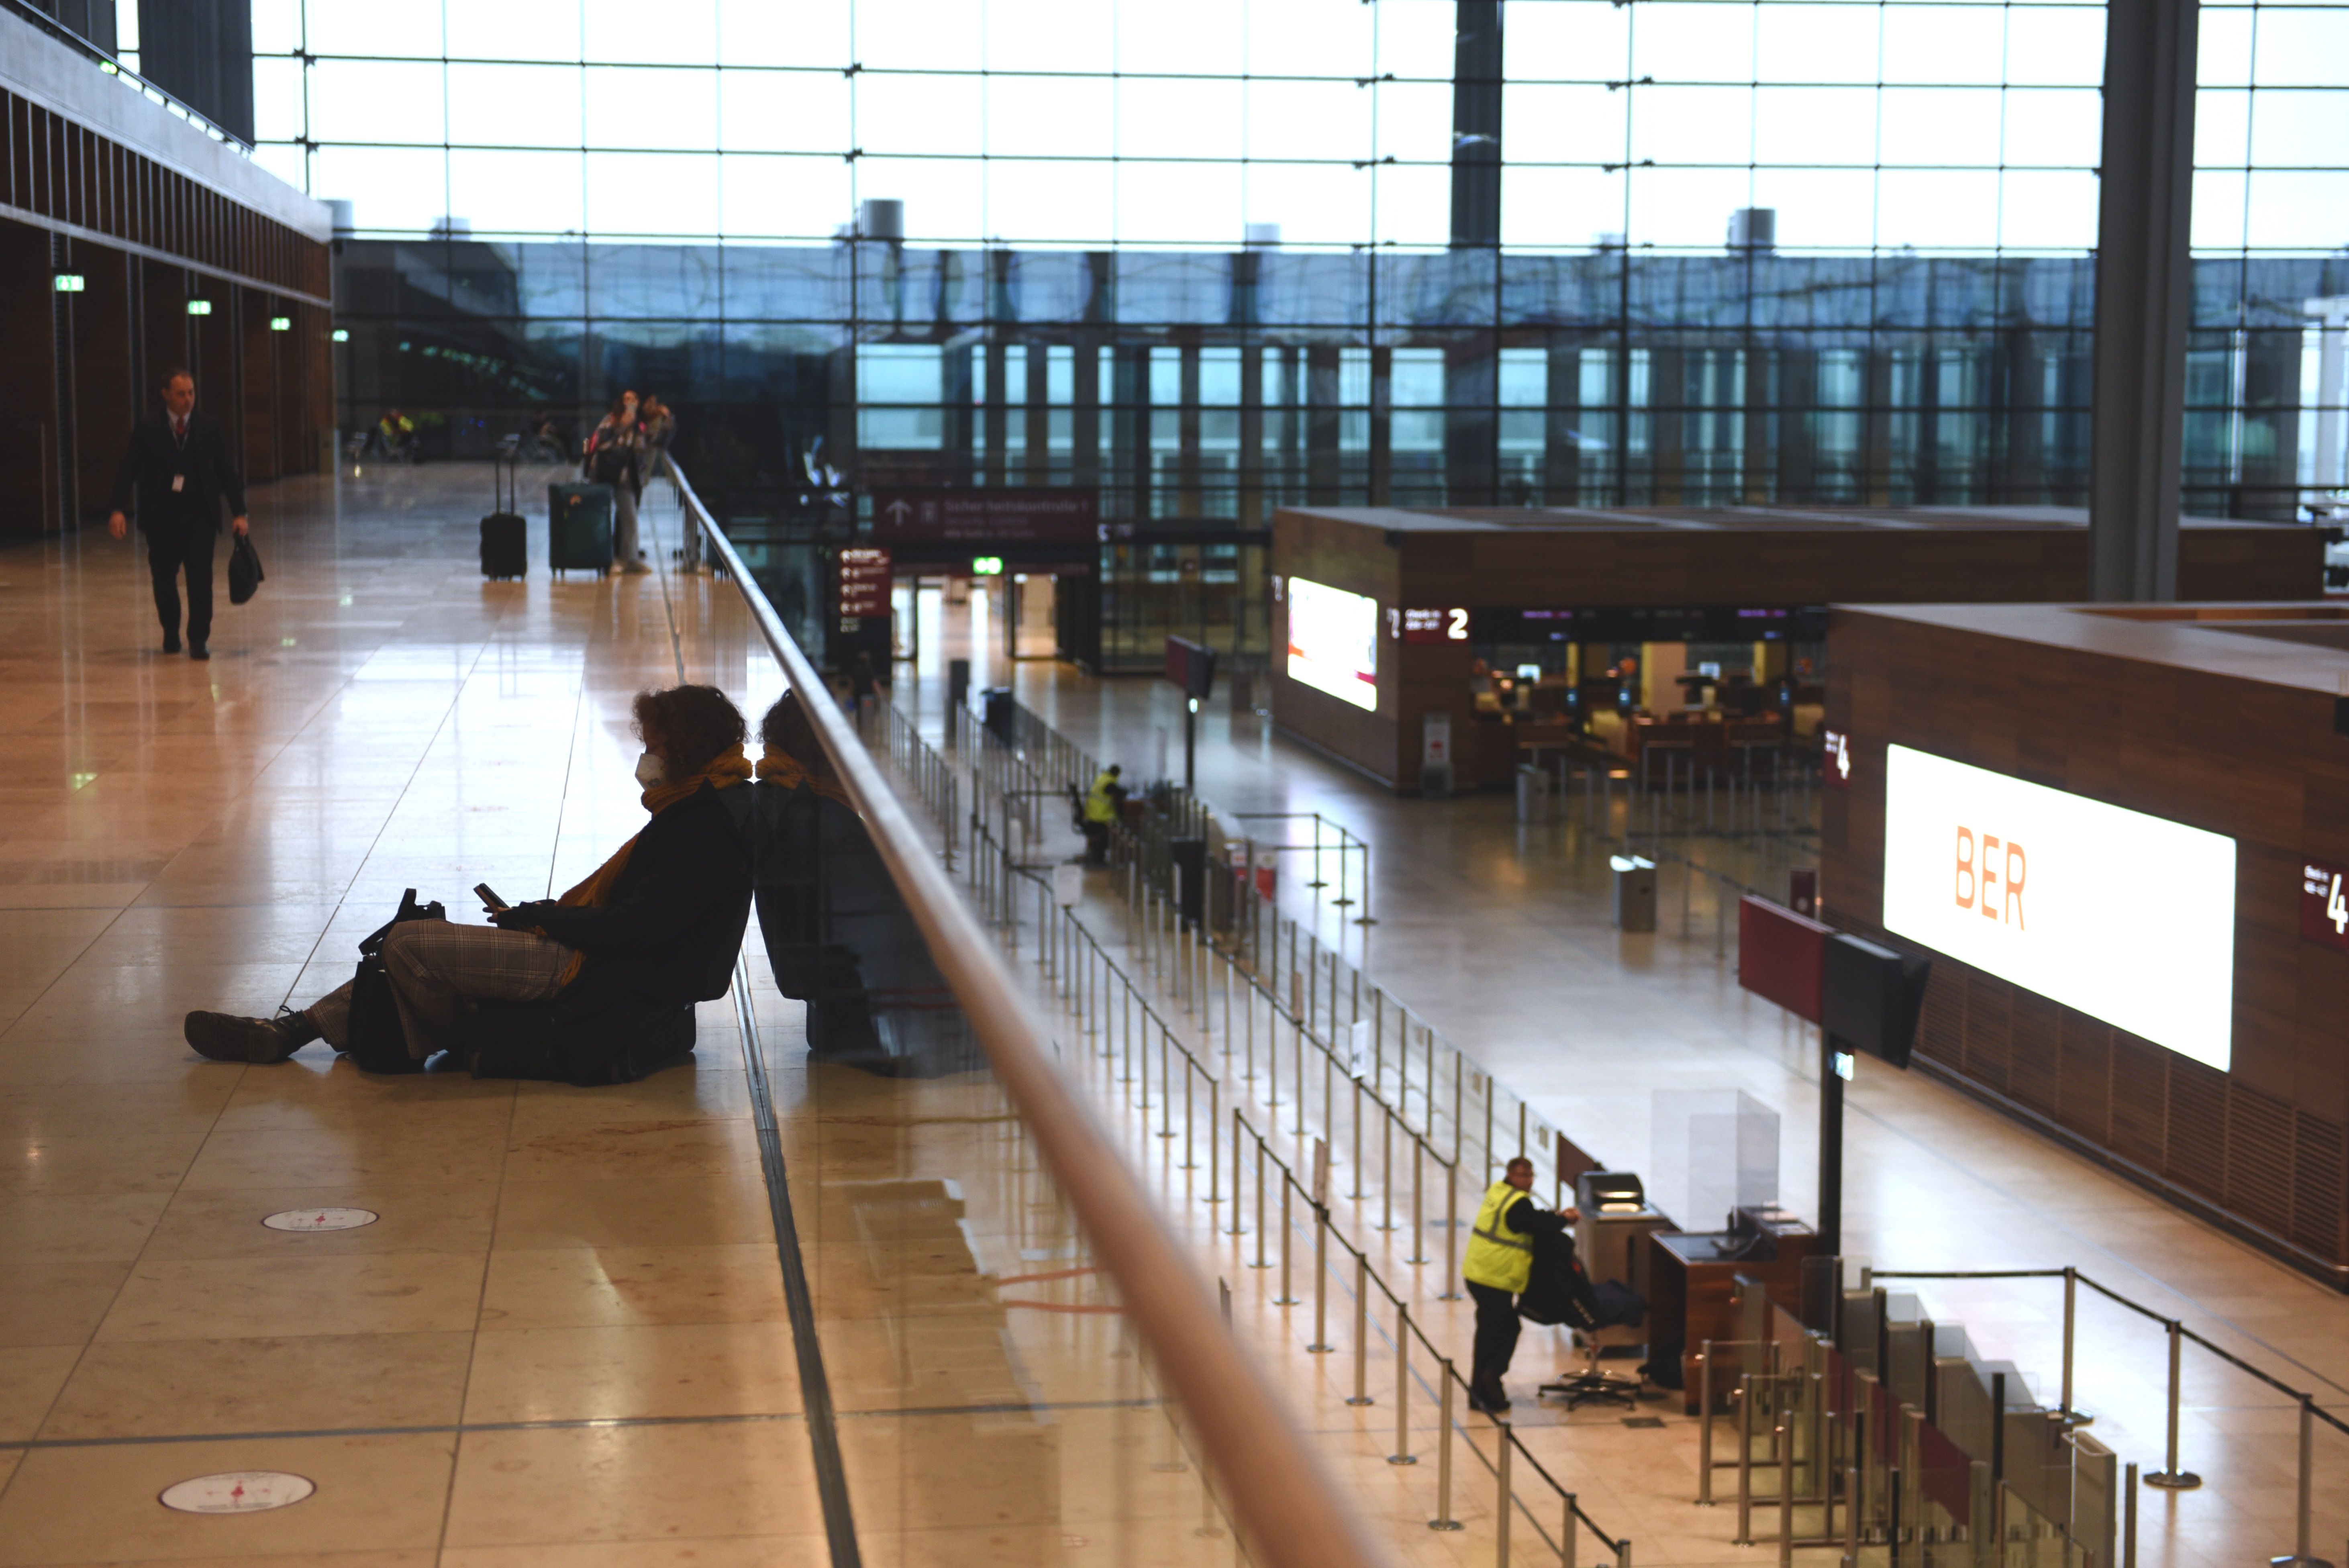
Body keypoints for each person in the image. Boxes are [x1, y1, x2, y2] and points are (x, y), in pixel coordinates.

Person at [181, 685, 753, 1069]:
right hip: (600, 961)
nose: (645, 760)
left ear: (685, 752)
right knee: (421, 947)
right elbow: (639, 915)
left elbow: (636, 930)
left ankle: (466, 1027)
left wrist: (548, 919)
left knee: (410, 945)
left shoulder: (701, 829)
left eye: (653, 748)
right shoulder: (697, 812)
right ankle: (294, 1030)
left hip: (601, 974)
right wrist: (544, 915)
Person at [108, 368, 249, 661]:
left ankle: (198, 639)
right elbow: (128, 469)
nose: (188, 400)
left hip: (200, 517)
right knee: (163, 578)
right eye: (182, 394)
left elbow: (225, 470)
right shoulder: (148, 427)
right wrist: (117, 508)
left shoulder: (209, 427)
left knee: (201, 580)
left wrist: (239, 512)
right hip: (162, 519)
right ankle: (170, 632)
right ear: (166, 395)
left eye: (192, 393)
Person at [1461, 1155, 1577, 1415]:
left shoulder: (1500, 1191)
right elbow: (1535, 1224)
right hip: (1493, 1277)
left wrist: (1555, 1217)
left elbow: (1531, 1219)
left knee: (1490, 1333)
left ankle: (1480, 1390)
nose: (1528, 1181)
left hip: (1480, 1273)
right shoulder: (1517, 1203)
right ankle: (1490, 1379)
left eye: (1530, 1176)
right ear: (1511, 1176)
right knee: (1503, 1330)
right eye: (1523, 1176)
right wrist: (1564, 1219)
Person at [584, 391, 649, 574]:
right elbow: (601, 445)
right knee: (603, 517)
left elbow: (643, 449)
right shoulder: (610, 421)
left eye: (634, 399)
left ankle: (631, 559)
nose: (630, 403)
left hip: (626, 479)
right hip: (605, 475)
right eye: (626, 399)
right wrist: (621, 427)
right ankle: (607, 559)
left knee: (630, 519)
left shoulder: (639, 426)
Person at [1081, 764, 1124, 865]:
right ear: (1117, 774)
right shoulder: (1109, 782)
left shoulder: (1102, 778)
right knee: (1117, 826)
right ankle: (1100, 859)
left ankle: (1098, 857)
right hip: (1099, 817)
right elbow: (1120, 792)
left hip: (1091, 814)